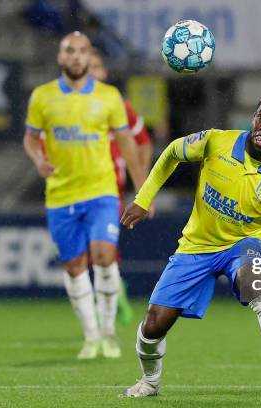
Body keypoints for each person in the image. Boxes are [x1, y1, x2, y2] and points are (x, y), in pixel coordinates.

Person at [119, 96, 261, 399]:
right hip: (197, 245)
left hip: (243, 245)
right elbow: (171, 153)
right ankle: (150, 382)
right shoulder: (215, 141)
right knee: (153, 324)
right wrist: (143, 199)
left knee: (255, 285)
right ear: (253, 119)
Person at [23, 31, 145, 360]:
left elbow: (128, 145)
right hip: (61, 195)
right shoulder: (43, 97)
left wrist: (143, 190)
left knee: (104, 256)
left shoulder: (109, 97)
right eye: (69, 51)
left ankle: (108, 333)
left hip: (101, 191)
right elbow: (30, 138)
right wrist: (37, 160)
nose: (76, 57)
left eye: (82, 51)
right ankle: (91, 336)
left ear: (90, 57)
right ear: (61, 58)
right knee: (74, 266)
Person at [87, 47, 154, 325]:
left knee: (103, 251)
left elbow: (144, 143)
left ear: (104, 72)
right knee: (89, 255)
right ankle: (116, 294)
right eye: (86, 66)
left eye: (96, 66)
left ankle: (111, 313)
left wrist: (143, 190)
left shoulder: (117, 105)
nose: (91, 71)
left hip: (107, 187)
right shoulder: (65, 106)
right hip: (73, 189)